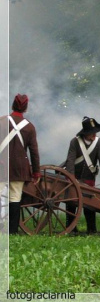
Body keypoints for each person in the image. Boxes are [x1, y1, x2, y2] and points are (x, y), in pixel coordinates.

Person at [64, 116, 100, 234]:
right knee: (71, 203)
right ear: (85, 133)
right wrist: (71, 178)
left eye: (94, 132)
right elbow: (70, 161)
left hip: (89, 178)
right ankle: (71, 228)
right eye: (91, 132)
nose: (94, 135)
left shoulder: (98, 142)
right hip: (75, 177)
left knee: (90, 204)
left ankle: (92, 229)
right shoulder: (75, 142)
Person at [0, 94, 41, 234]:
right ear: (26, 108)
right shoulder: (30, 127)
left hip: (2, 165)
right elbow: (34, 153)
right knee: (15, 198)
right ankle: (12, 231)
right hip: (19, 168)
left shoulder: (2, 121)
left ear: (13, 105)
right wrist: (36, 173)